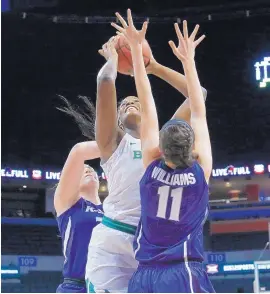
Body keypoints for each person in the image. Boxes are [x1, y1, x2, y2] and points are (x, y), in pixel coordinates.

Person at [85, 21, 207, 292]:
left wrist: (152, 67)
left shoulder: (162, 142)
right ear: (117, 119)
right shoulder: (113, 143)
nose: (130, 102)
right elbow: (104, 82)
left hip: (156, 247)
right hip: (114, 241)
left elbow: (199, 96)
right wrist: (113, 61)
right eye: (124, 104)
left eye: (136, 101)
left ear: (149, 109)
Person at [54, 98, 104, 293]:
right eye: (84, 170)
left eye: (92, 169)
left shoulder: (113, 208)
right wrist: (123, 144)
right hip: (76, 286)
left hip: (110, 286)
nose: (89, 170)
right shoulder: (69, 203)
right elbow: (78, 152)